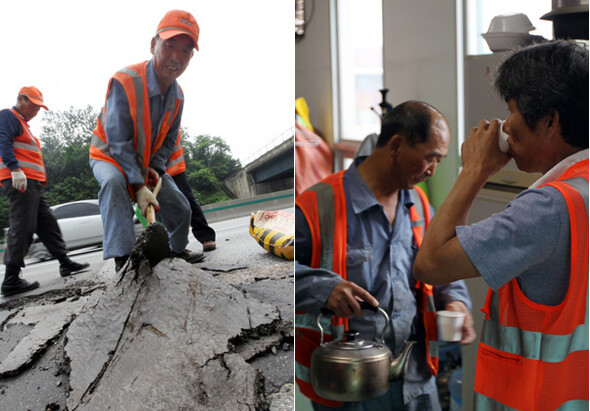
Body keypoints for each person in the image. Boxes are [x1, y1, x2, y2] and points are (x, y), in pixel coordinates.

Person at [413, 40, 588, 410]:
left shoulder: (548, 209)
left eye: (512, 111)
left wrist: (475, 169)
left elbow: (431, 263)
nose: (505, 126)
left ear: (551, 121)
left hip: (539, 398)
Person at [295, 100, 476, 410]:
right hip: (349, 384)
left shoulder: (418, 203)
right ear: (396, 145)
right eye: (429, 158)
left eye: (440, 161)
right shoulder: (317, 205)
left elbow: (441, 266)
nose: (432, 171)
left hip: (416, 379)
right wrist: (323, 289)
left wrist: (457, 301)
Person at [89, 9, 205, 271]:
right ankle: (124, 260)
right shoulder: (125, 80)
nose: (176, 57)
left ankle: (174, 253)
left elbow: (169, 140)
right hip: (109, 155)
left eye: (186, 50)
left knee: (181, 207)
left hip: (145, 163)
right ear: (154, 45)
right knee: (113, 183)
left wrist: (156, 169)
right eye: (169, 45)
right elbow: (117, 139)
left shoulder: (178, 96)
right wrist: (139, 185)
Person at [0, 86, 90, 296]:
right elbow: (2, 143)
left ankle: (64, 262)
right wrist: (15, 169)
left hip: (34, 184)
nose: (36, 111)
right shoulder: (8, 116)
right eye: (33, 105)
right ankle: (11, 279)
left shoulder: (23, 124)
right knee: (23, 225)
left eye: (39, 107)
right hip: (21, 182)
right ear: (20, 99)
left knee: (48, 223)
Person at [166, 130, 216, 251]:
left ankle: (206, 236)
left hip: (173, 167)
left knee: (187, 199)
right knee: (163, 206)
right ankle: (172, 244)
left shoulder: (166, 114)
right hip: (150, 169)